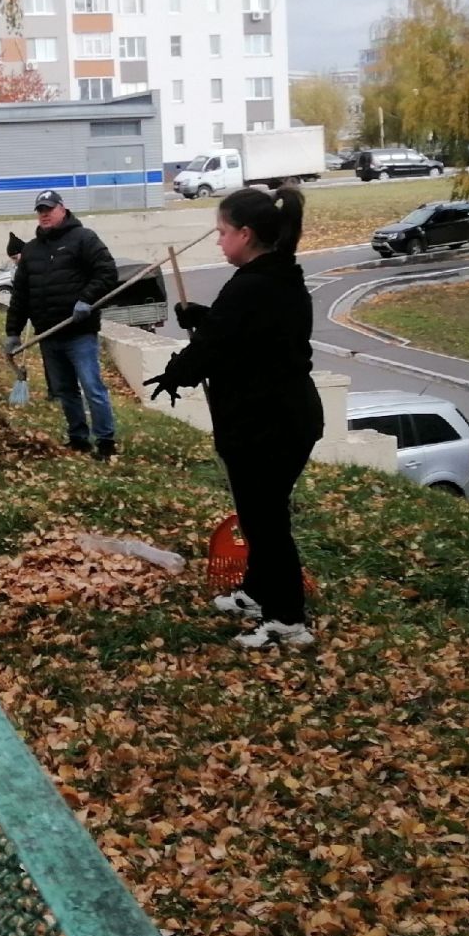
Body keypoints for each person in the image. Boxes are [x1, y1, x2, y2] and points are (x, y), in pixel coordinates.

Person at [143, 187, 323, 649]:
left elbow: (214, 346)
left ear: (245, 234)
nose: (219, 242)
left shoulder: (253, 284)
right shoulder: (276, 275)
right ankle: (259, 593)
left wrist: (175, 374)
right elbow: (245, 331)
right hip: (281, 417)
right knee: (259, 513)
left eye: (223, 233)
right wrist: (201, 315)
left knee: (265, 521)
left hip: (270, 425)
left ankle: (287, 620)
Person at [5, 189, 120, 459]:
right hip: (49, 333)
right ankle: (78, 438)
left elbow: (107, 272)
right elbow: (21, 295)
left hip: (79, 331)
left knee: (92, 387)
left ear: (62, 209)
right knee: (65, 390)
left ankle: (105, 441)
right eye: (40, 210)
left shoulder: (84, 239)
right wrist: (12, 332)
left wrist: (86, 300)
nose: (44, 214)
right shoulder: (31, 251)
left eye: (49, 209)